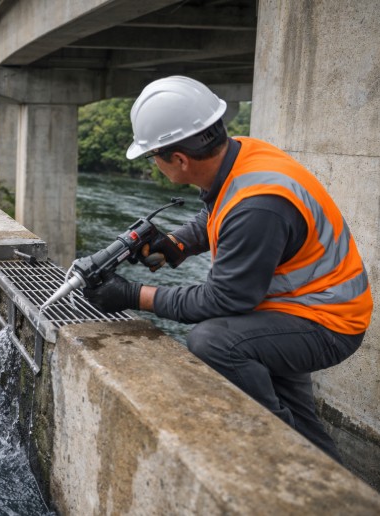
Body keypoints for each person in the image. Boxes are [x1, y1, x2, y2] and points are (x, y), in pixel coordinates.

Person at [83, 76, 372, 463]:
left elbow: (224, 299)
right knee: (300, 419)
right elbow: (216, 214)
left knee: (214, 342)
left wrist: (131, 295)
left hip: (326, 324)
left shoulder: (259, 205)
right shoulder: (243, 155)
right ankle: (323, 470)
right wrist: (177, 245)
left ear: (180, 160)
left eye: (153, 155)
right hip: (296, 307)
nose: (154, 163)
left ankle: (284, 457)